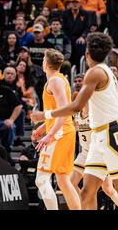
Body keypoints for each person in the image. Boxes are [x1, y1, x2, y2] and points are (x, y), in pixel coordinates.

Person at [32, 33, 118, 210]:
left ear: (87, 54)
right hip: (97, 138)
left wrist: (46, 115)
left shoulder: (94, 73)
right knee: (86, 192)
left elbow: (76, 106)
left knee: (116, 188)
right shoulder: (108, 73)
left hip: (110, 133)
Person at [30, 49, 81, 210]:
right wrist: (43, 128)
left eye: (44, 59)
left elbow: (65, 111)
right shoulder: (56, 80)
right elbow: (58, 112)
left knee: (42, 179)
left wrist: (50, 134)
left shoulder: (55, 81)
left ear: (46, 63)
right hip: (62, 130)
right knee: (63, 181)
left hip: (60, 133)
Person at [70, 102, 118, 209]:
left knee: (108, 189)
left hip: (98, 153)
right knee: (71, 183)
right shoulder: (76, 115)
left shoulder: (96, 115)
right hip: (84, 153)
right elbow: (71, 128)